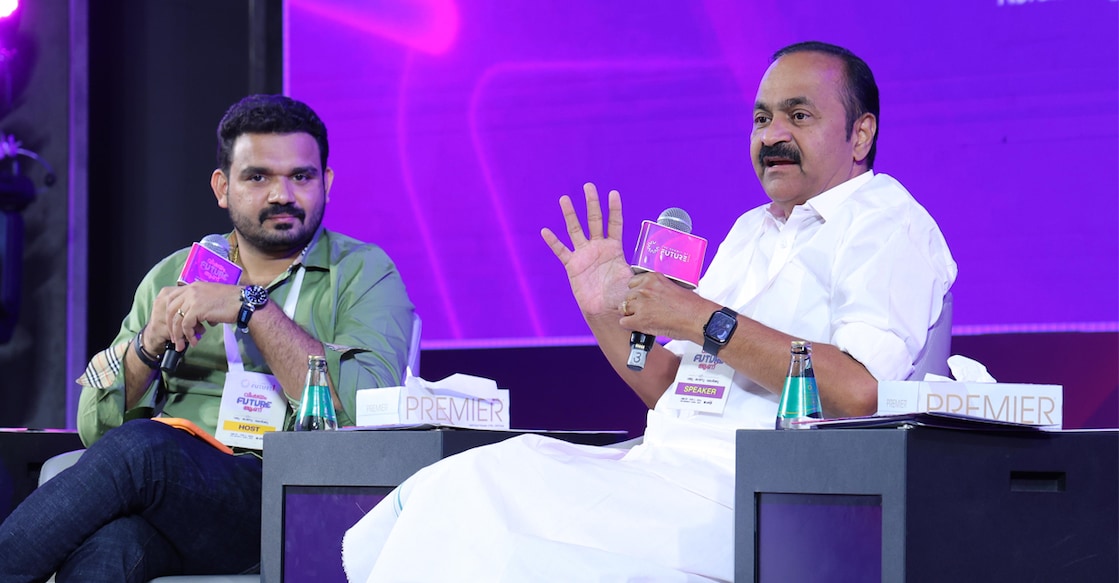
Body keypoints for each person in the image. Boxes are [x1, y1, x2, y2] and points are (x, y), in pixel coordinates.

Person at [341, 41, 956, 582]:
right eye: (762, 118)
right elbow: (675, 392)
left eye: (799, 116)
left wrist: (701, 318)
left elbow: (861, 392)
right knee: (465, 481)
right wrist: (603, 310)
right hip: (661, 468)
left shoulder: (886, 223)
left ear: (861, 134)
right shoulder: (753, 230)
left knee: (488, 525)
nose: (772, 136)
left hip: (753, 499)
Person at [0, 94, 415, 582]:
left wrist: (251, 306)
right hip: (178, 500)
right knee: (110, 548)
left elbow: (371, 404)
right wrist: (146, 346)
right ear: (223, 188)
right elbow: (95, 425)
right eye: (258, 177)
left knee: (142, 449)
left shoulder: (363, 272)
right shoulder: (176, 275)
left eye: (300, 176)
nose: (282, 194)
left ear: (325, 183)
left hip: (291, 495)